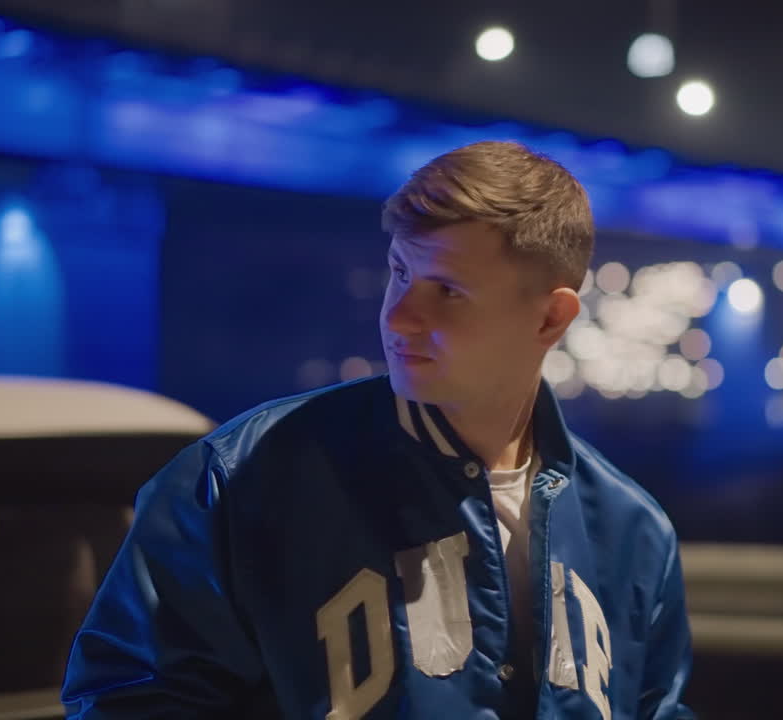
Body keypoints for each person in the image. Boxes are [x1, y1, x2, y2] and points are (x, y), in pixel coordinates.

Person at [62, 140, 694, 719]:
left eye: (447, 291)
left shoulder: (633, 532)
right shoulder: (242, 478)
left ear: (551, 318)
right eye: (399, 273)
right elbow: (132, 700)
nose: (400, 317)